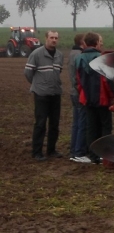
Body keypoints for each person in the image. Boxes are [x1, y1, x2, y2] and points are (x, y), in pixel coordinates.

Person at [75, 32, 114, 164]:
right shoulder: (102, 58)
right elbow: (106, 80)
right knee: (105, 127)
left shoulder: (79, 59)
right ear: (97, 43)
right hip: (102, 98)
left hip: (87, 98)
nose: (102, 44)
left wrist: (82, 94)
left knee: (91, 127)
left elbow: (78, 80)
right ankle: (105, 155)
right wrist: (112, 95)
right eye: (100, 41)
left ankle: (93, 156)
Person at [24, 30, 63, 161]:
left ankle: (51, 150)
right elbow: (28, 73)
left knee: (54, 123)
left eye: (56, 38)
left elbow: (58, 72)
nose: (54, 40)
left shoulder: (59, 55)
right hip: (41, 94)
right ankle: (37, 152)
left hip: (55, 93)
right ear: (46, 38)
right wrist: (38, 85)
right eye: (51, 37)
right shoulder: (36, 54)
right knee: (40, 123)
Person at [68, 33, 91, 163]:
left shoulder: (71, 53)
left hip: (73, 92)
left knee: (76, 123)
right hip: (79, 93)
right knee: (82, 123)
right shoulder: (79, 56)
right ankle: (79, 152)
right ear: (83, 42)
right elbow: (79, 77)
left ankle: (74, 150)